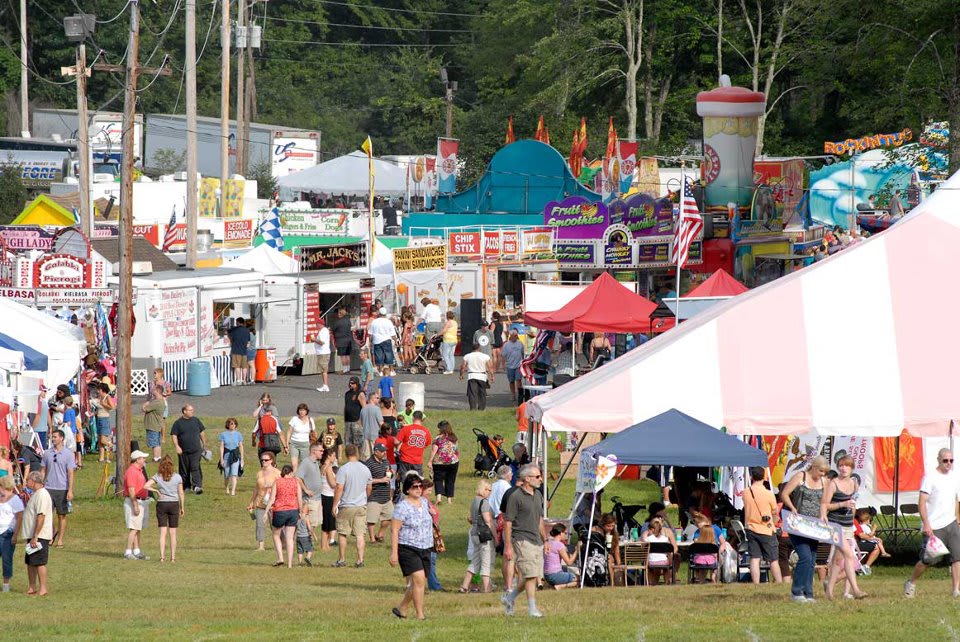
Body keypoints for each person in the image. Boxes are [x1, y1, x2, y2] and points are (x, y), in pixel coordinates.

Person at [905, 448, 960, 598]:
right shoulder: (930, 477)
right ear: (939, 460)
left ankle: (956, 590)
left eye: (951, 460)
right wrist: (926, 524)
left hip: (951, 522)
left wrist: (957, 519)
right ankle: (911, 582)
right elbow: (922, 502)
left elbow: (956, 499)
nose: (948, 463)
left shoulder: (954, 477)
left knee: (957, 556)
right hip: (934, 524)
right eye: (945, 460)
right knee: (929, 559)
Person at [780, 455, 828, 602]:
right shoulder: (801, 476)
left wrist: (823, 515)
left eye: (824, 472)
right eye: (820, 471)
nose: (822, 474)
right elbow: (784, 494)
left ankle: (808, 593)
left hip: (814, 526)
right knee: (805, 557)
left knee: (812, 560)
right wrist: (792, 507)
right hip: (798, 524)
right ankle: (797, 591)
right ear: (814, 467)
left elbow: (824, 502)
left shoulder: (824, 481)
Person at [502, 463, 547, 618]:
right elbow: (508, 522)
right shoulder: (515, 497)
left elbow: (539, 519)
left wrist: (545, 539)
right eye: (537, 476)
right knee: (530, 575)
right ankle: (532, 609)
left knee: (531, 575)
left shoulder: (538, 495)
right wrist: (508, 546)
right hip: (521, 539)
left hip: (536, 540)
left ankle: (509, 598)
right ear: (527, 478)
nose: (541, 479)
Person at [820, 454, 867, 599]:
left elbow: (853, 504)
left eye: (846, 465)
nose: (843, 468)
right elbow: (824, 504)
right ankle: (856, 590)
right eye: (841, 465)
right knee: (849, 555)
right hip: (835, 525)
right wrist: (842, 504)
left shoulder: (854, 483)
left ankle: (829, 591)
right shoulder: (833, 483)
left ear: (852, 468)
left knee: (836, 560)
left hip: (847, 526)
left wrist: (852, 521)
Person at [390, 472, 433, 620]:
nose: (419, 489)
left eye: (420, 486)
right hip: (408, 547)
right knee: (419, 580)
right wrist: (394, 553)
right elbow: (395, 530)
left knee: (419, 582)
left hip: (426, 546)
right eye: (415, 487)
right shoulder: (402, 507)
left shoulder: (424, 502)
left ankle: (402, 608)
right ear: (407, 489)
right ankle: (420, 615)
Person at [332, 444, 373, 568]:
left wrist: (334, 505)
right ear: (357, 453)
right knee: (360, 534)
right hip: (361, 505)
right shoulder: (365, 469)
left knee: (342, 533)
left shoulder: (343, 469)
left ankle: (342, 559)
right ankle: (360, 560)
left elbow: (339, 488)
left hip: (346, 505)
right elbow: (369, 487)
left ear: (346, 454)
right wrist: (365, 498)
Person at [743, 466, 783, 585]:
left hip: (751, 527)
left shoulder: (746, 492)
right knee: (773, 559)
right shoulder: (769, 494)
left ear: (751, 476)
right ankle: (779, 583)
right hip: (767, 529)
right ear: (764, 477)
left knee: (754, 558)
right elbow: (775, 511)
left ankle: (756, 583)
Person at [143, 455, 184, 564]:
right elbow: (181, 493)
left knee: (162, 532)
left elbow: (145, 486)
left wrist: (156, 490)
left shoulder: (158, 476)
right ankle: (173, 558)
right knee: (173, 533)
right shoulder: (177, 477)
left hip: (162, 504)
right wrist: (182, 507)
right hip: (174, 504)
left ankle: (162, 557)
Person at [39, 429, 74, 548]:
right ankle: (50, 535)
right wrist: (41, 484)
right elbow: (43, 470)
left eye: (55, 437)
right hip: (48, 487)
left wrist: (70, 490)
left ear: (61, 438)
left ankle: (60, 539)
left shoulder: (68, 454)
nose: (53, 439)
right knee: (47, 514)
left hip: (62, 488)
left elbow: (70, 473)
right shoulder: (47, 453)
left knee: (61, 515)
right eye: (52, 437)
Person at [460, 479, 496, 593]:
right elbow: (488, 520)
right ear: (483, 489)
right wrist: (495, 536)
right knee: (486, 561)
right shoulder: (484, 502)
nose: (490, 492)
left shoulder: (475, 500)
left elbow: (471, 518)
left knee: (475, 561)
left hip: (474, 533)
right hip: (483, 535)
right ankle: (486, 588)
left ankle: (464, 586)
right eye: (488, 490)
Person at [20, 471, 52, 596]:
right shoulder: (35, 494)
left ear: (33, 481)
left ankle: (43, 588)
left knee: (39, 562)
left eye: (28, 479)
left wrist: (35, 536)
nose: (26, 482)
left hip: (39, 535)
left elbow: (41, 516)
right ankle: (32, 587)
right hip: (32, 534)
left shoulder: (42, 494)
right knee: (31, 562)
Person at [265, 464, 302, 568]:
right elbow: (299, 498)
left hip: (279, 511)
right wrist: (300, 511)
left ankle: (280, 558)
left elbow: (272, 499)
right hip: (293, 511)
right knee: (290, 538)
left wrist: (266, 511)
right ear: (290, 472)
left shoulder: (277, 482)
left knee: (276, 534)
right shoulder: (296, 482)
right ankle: (289, 564)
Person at [247, 451, 281, 551]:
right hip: (260, 503)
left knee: (275, 526)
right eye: (262, 460)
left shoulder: (277, 473)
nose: (263, 462)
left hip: (273, 504)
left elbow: (281, 486)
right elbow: (256, 488)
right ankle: (261, 546)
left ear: (271, 461)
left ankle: (279, 544)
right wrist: (252, 501)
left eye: (266, 460)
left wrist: (271, 486)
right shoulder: (259, 473)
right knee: (260, 525)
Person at [170, 405, 208, 494]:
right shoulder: (178, 423)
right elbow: (174, 435)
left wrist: (204, 444)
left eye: (192, 410)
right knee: (184, 469)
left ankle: (197, 486)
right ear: (184, 411)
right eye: (190, 410)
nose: (192, 411)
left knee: (195, 467)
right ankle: (186, 486)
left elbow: (202, 433)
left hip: (196, 450)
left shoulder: (196, 420)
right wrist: (177, 446)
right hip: (183, 451)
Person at [122, 450, 151, 561]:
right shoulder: (132, 472)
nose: (144, 460)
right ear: (137, 459)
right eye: (143, 458)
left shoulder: (138, 470)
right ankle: (128, 552)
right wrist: (135, 505)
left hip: (140, 501)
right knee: (134, 528)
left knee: (138, 528)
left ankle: (136, 550)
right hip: (134, 501)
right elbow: (131, 490)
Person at [296, 441, 325, 542]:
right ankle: (306, 543)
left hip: (317, 498)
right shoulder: (306, 462)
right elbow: (298, 477)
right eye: (321, 450)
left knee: (315, 522)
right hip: (310, 499)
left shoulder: (316, 462)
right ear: (314, 451)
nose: (322, 452)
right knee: (309, 523)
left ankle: (308, 542)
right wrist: (305, 489)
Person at [365, 443, 393, 543]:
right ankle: (372, 539)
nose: (384, 453)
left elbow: (390, 476)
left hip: (386, 496)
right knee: (371, 520)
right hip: (374, 496)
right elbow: (365, 480)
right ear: (376, 452)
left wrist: (391, 473)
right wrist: (381, 480)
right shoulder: (368, 464)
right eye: (382, 451)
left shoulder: (386, 461)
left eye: (385, 451)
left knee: (389, 517)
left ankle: (380, 534)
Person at [0, 475, 24, 592]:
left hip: (7, 533)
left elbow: (19, 518)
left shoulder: (15, 500)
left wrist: (15, 535)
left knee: (6, 559)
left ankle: (6, 584)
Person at [396, 411, 431, 489]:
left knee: (405, 481)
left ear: (413, 418)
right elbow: (426, 444)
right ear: (422, 419)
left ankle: (407, 494)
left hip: (405, 459)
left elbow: (397, 441)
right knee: (418, 482)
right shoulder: (426, 431)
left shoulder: (406, 428)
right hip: (417, 461)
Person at [427, 420, 459, 504]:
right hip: (453, 462)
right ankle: (449, 500)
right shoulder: (454, 437)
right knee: (450, 480)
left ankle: (439, 498)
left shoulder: (438, 438)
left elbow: (434, 450)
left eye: (439, 428)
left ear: (441, 429)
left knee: (438, 479)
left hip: (439, 462)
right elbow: (456, 450)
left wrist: (430, 461)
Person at [543, 523, 579, 589]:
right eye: (565, 533)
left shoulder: (549, 543)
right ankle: (560, 586)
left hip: (547, 575)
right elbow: (569, 562)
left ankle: (555, 585)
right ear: (560, 533)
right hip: (556, 575)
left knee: (567, 573)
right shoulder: (559, 545)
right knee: (580, 579)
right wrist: (576, 551)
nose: (566, 535)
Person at [642, 516, 677, 585]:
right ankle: (667, 582)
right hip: (664, 562)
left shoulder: (648, 539)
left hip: (651, 562)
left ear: (651, 529)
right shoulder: (665, 539)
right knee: (666, 569)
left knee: (650, 569)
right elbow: (670, 550)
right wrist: (669, 562)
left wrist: (645, 535)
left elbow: (643, 547)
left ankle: (650, 583)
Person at [460, 342, 494, 411]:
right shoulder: (485, 356)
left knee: (472, 394)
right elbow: (490, 367)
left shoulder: (467, 356)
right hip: (482, 376)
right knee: (482, 393)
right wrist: (492, 376)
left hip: (472, 375)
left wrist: (461, 375)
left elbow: (463, 366)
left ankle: (473, 408)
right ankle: (481, 408)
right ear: (479, 348)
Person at [318, 447, 338, 551]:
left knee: (327, 521)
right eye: (334, 455)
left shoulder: (323, 466)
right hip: (328, 496)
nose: (335, 457)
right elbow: (333, 484)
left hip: (324, 495)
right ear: (329, 456)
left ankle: (325, 545)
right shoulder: (328, 468)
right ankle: (324, 545)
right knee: (328, 522)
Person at [218, 418, 244, 496]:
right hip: (226, 456)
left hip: (235, 456)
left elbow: (241, 446)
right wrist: (221, 459)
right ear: (228, 425)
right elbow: (221, 447)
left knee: (234, 474)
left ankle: (233, 491)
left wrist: (242, 459)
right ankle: (227, 488)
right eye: (231, 424)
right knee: (227, 475)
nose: (233, 425)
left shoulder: (238, 434)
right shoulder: (223, 434)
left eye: (234, 424)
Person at [285, 403, 315, 471]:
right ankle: (294, 476)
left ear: (306, 411)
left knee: (303, 464)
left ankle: (301, 477)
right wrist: (287, 444)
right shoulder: (294, 419)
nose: (301, 412)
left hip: (305, 445)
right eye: (300, 410)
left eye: (303, 410)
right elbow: (289, 432)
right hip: (294, 444)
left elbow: (313, 432)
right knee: (294, 464)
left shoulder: (310, 420)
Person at [142, 387, 166, 462]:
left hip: (153, 425)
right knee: (157, 443)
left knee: (154, 443)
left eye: (154, 390)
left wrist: (145, 404)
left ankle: (155, 458)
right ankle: (158, 457)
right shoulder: (162, 401)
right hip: (157, 425)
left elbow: (144, 409)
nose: (152, 391)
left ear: (158, 391)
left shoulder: (156, 402)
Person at [93, 382, 115, 463]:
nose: (97, 391)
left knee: (103, 440)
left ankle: (112, 446)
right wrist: (93, 414)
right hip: (99, 419)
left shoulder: (107, 397)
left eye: (98, 390)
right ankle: (101, 458)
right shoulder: (100, 398)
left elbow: (112, 407)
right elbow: (99, 409)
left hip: (105, 419)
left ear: (102, 390)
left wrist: (104, 404)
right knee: (100, 441)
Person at [343, 376, 366, 452]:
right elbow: (346, 407)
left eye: (352, 383)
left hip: (356, 421)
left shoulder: (360, 394)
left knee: (358, 442)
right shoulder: (347, 394)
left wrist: (361, 421)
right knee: (348, 442)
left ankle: (359, 457)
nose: (350, 384)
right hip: (348, 421)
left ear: (357, 384)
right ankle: (350, 456)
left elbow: (364, 409)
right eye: (349, 383)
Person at [501, 330, 525, 403]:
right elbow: (503, 356)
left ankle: (520, 395)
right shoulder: (506, 345)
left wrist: (523, 362)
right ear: (510, 336)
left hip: (518, 365)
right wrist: (503, 365)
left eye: (516, 335)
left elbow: (522, 353)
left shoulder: (520, 343)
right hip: (509, 366)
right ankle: (513, 394)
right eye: (514, 336)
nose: (516, 337)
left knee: (518, 380)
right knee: (511, 381)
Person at [360, 391, 384, 460]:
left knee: (367, 457)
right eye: (377, 398)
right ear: (373, 399)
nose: (379, 399)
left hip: (365, 436)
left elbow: (361, 424)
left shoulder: (363, 409)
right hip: (375, 437)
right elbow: (381, 423)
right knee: (376, 457)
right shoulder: (377, 409)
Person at [229, 316, 252, 385]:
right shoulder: (247, 331)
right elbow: (248, 342)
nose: (236, 323)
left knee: (237, 366)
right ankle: (244, 380)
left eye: (236, 322)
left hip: (236, 350)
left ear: (238, 322)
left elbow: (231, 337)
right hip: (244, 351)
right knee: (244, 367)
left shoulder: (234, 330)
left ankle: (238, 380)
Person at [331, 307, 354, 374]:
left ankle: (344, 370)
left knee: (343, 356)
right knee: (347, 355)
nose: (337, 314)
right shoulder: (348, 321)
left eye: (338, 313)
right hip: (348, 340)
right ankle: (348, 369)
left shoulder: (338, 322)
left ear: (340, 314)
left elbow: (333, 329)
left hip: (340, 341)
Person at [313, 319, 332, 393]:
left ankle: (325, 385)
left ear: (320, 324)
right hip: (322, 352)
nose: (316, 325)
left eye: (317, 324)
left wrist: (314, 339)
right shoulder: (323, 331)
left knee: (324, 370)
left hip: (323, 353)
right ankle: (324, 385)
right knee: (322, 369)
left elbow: (322, 342)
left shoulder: (323, 331)